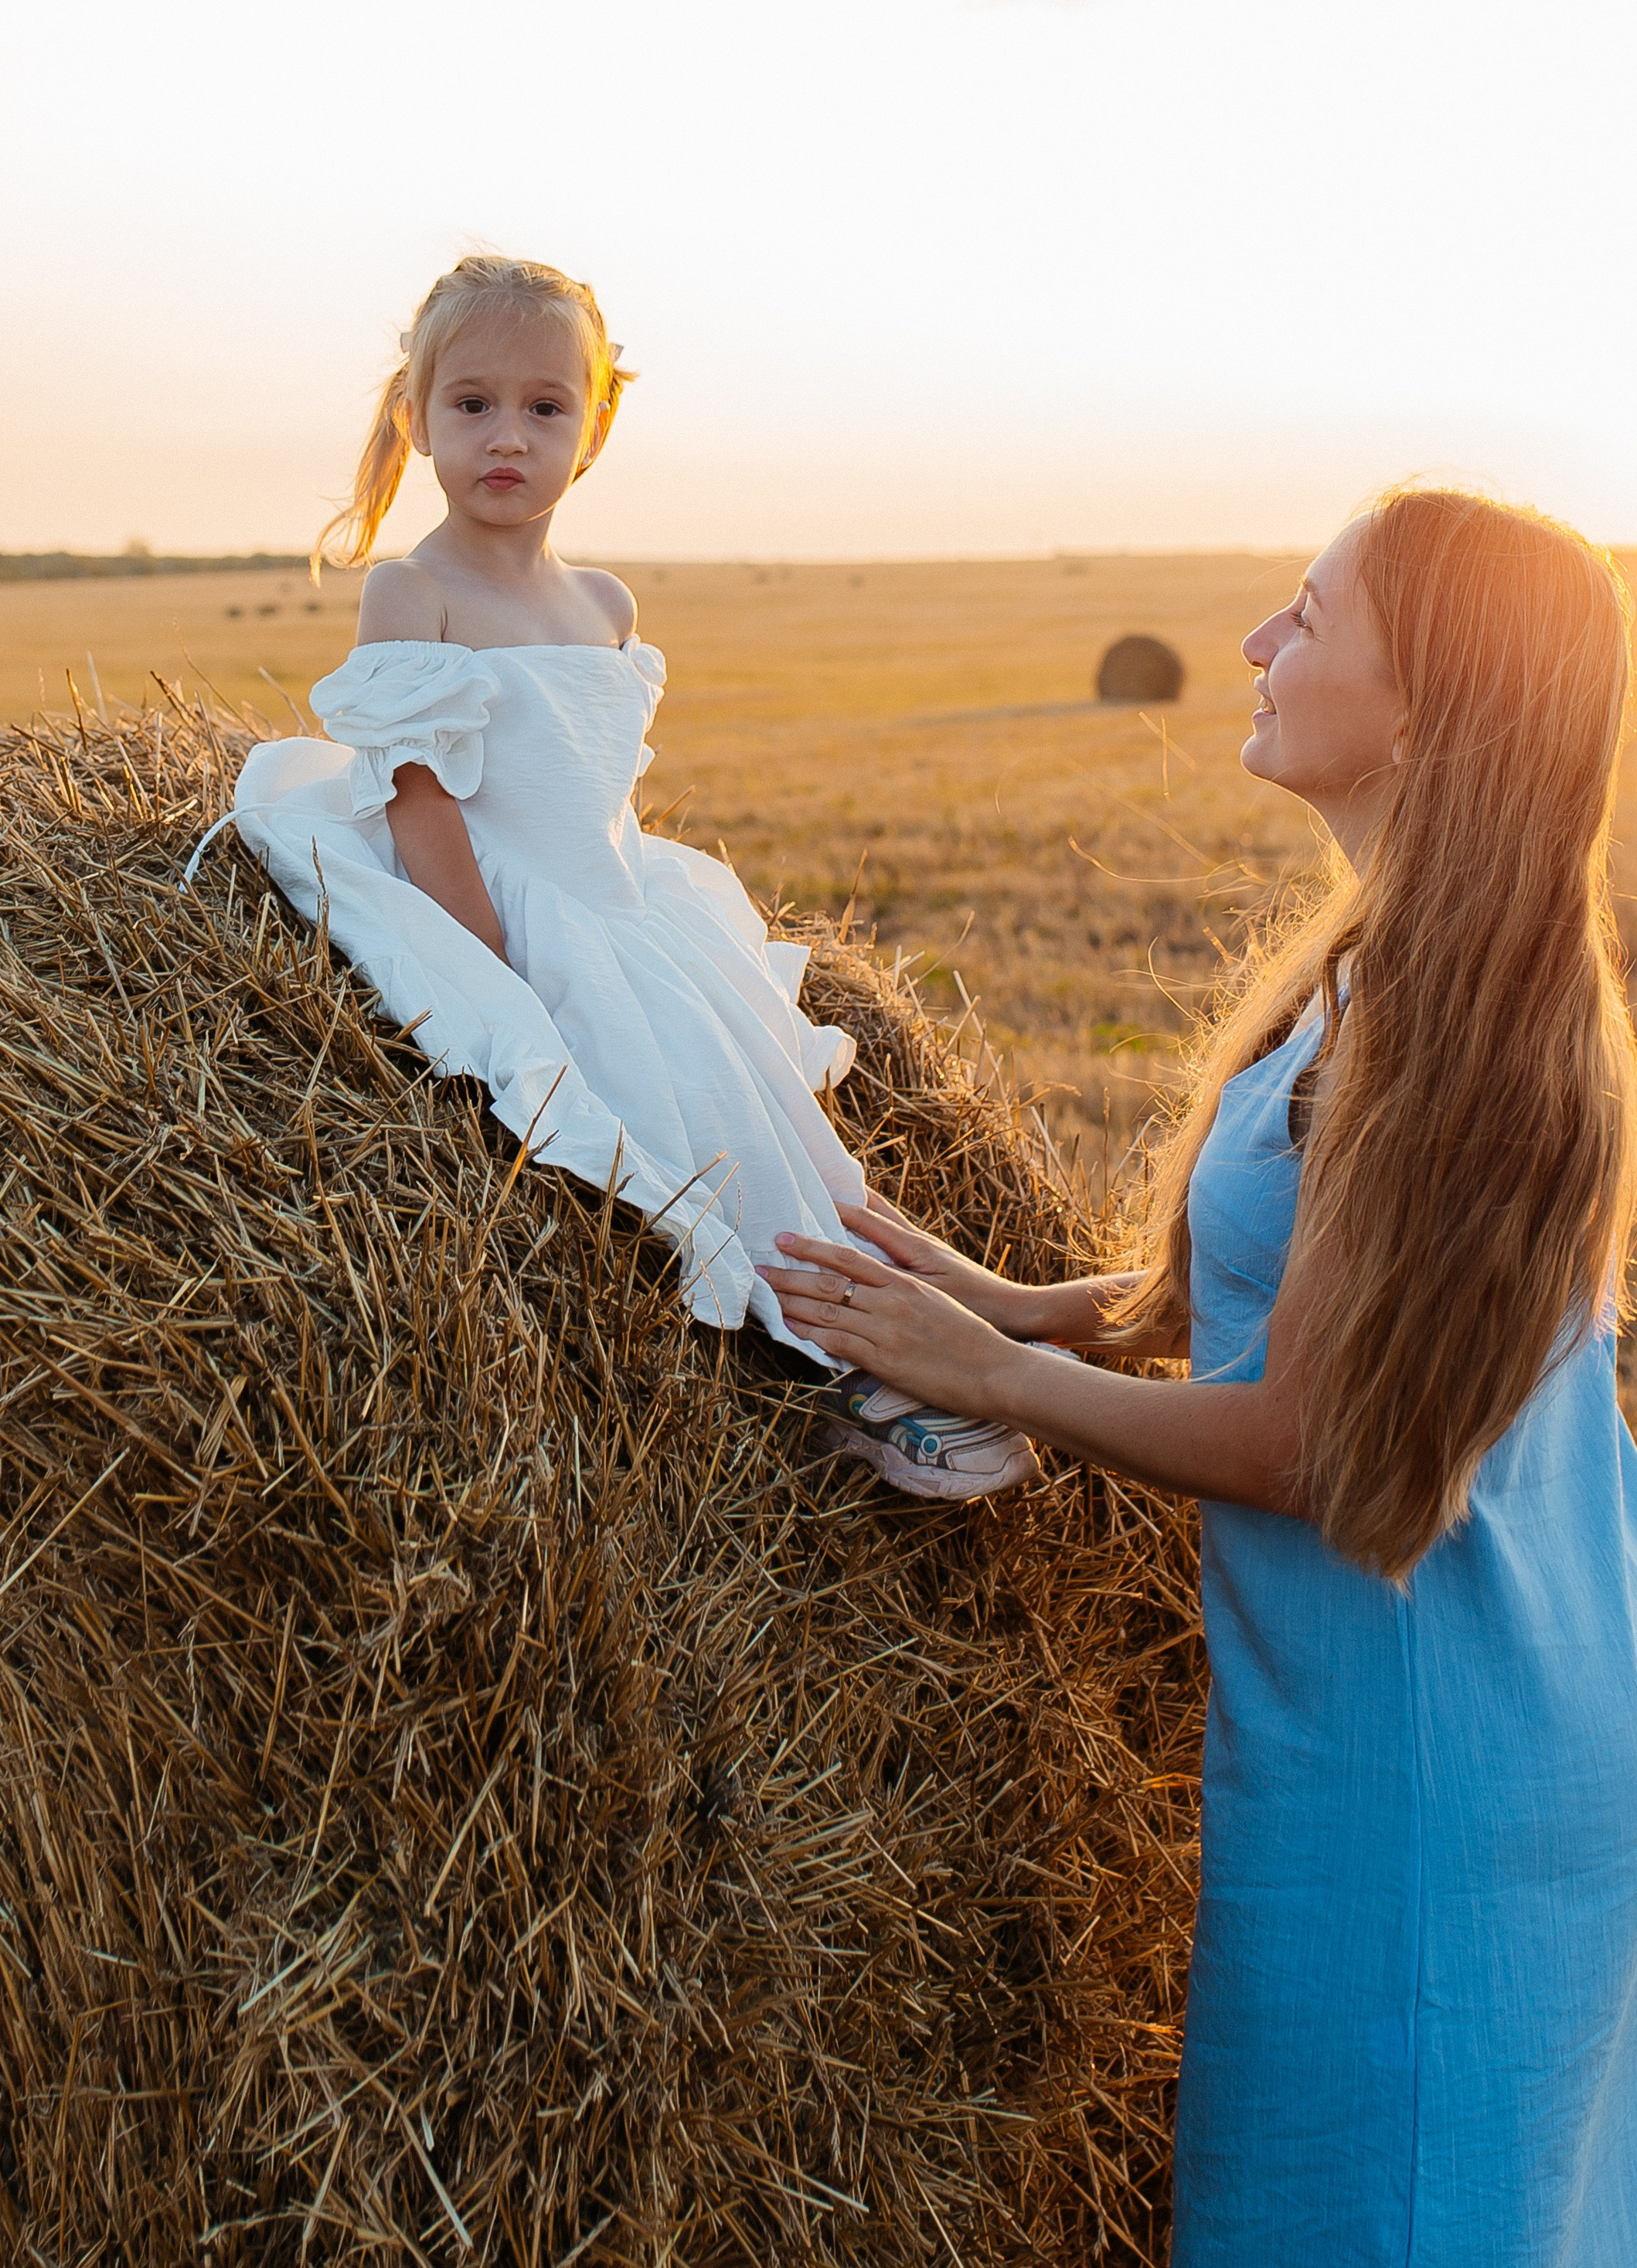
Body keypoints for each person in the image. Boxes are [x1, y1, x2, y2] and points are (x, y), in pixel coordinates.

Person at [761, 487, 1637, 2268]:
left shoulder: (1453, 1025)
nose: (1252, 648)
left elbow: (1309, 1440)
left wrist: (985, 1382)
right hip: (1533, 1697)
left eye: (1305, 616)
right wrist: (1007, 1302)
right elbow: (1276, 1292)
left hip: (1457, 1765)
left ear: (1427, 699)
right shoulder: (1402, 968)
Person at [194, 252, 1033, 1499]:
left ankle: (909, 1329)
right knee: (667, 1121)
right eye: (471, 404)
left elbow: (597, 792)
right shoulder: (411, 590)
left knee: (754, 1102)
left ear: (594, 430)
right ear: (417, 417)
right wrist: (501, 974)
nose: (506, 437)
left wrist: (642, 933)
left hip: (620, 899)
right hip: (501, 904)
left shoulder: (604, 601)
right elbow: (423, 803)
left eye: (545, 407)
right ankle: (832, 1369)